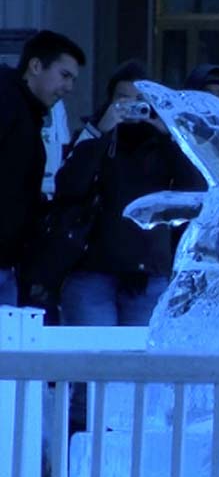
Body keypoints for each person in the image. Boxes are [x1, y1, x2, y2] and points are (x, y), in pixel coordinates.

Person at [53, 61, 202, 327]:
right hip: (92, 269)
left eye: (141, 101)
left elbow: (194, 191)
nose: (133, 107)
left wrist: (170, 137)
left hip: (148, 274)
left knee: (139, 364)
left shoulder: (164, 145)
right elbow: (69, 185)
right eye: (124, 99)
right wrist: (100, 131)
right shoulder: (94, 136)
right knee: (93, 360)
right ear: (110, 100)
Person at [0, 30, 84, 306]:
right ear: (35, 66)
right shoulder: (8, 102)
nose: (69, 87)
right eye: (64, 75)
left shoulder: (27, 112)